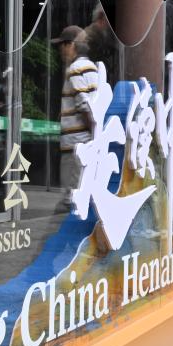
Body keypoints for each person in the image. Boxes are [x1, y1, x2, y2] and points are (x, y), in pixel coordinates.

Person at [54, 25, 99, 210]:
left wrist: (91, 132)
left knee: (72, 198)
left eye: (62, 45)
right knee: (81, 193)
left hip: (75, 144)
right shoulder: (91, 67)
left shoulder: (75, 69)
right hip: (85, 142)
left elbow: (84, 105)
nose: (60, 50)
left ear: (71, 45)